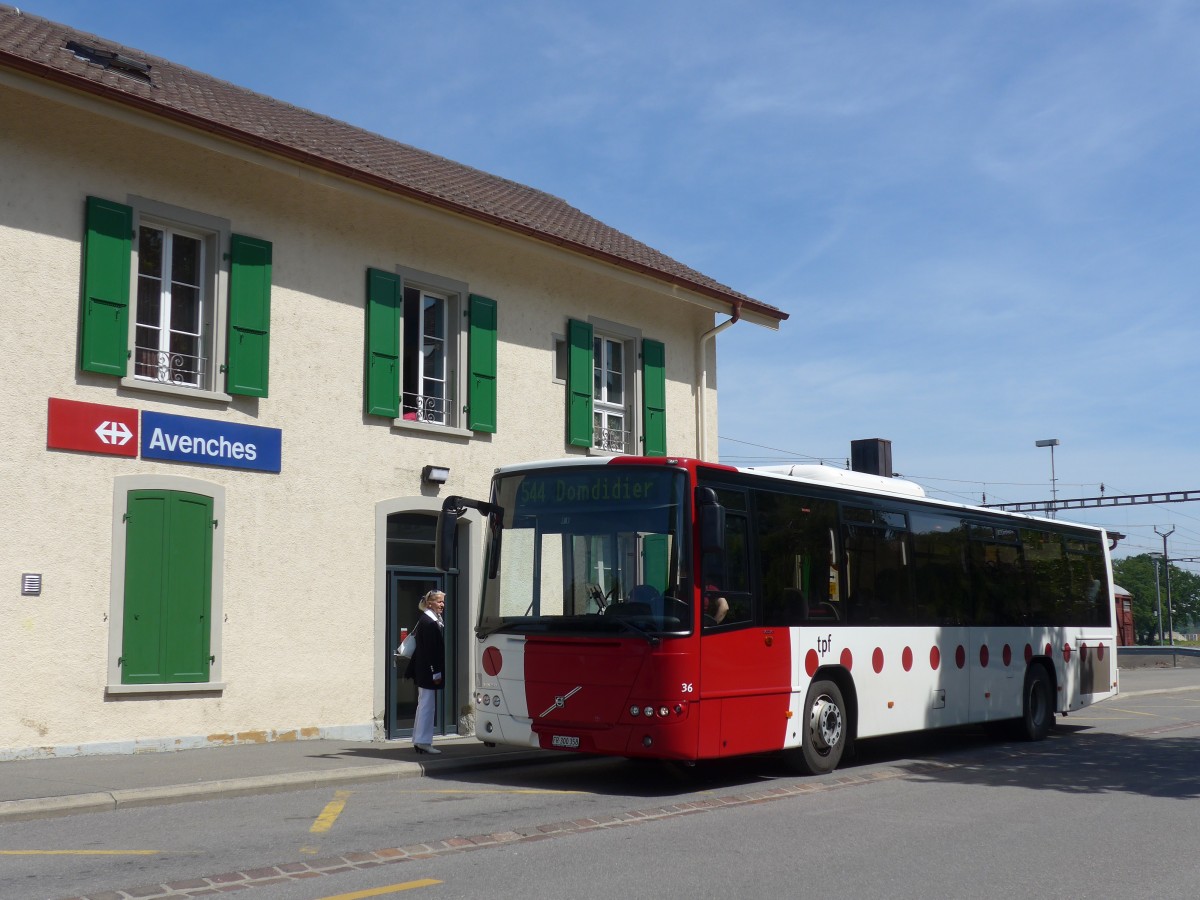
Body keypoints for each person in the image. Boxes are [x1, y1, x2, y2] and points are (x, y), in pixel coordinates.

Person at [405, 590, 446, 754]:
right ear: (430, 603)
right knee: (427, 706)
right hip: (428, 673)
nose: (442, 605)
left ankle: (419, 739)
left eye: (443, 602)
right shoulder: (429, 622)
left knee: (424, 705)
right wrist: (435, 673)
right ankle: (423, 741)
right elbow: (430, 652)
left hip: (425, 671)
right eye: (439, 602)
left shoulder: (429, 620)